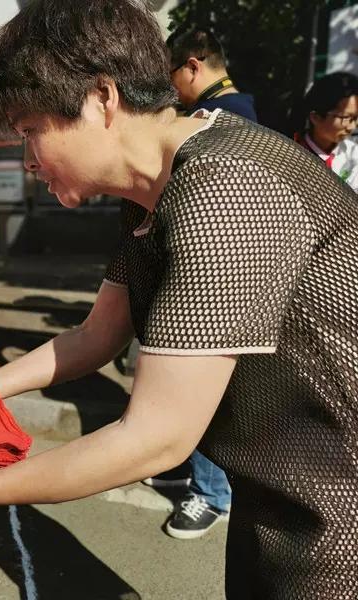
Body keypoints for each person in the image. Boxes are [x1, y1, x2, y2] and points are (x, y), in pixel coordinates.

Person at [0, 1, 358, 598]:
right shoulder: (153, 186)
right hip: (278, 494)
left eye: (30, 132)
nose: (27, 162)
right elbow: (96, 337)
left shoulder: (229, 184)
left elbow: (156, 435)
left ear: (103, 97)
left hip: (338, 513)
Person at [142, 27, 259, 540]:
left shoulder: (225, 118)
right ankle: (187, 466)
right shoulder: (242, 109)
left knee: (204, 388)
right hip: (220, 271)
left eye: (173, 78)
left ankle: (210, 493)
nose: (173, 91)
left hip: (220, 277)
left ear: (192, 66)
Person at [293, 71, 358, 192]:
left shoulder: (354, 155)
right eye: (345, 118)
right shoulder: (291, 152)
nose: (351, 127)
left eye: (355, 118)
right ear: (316, 117)